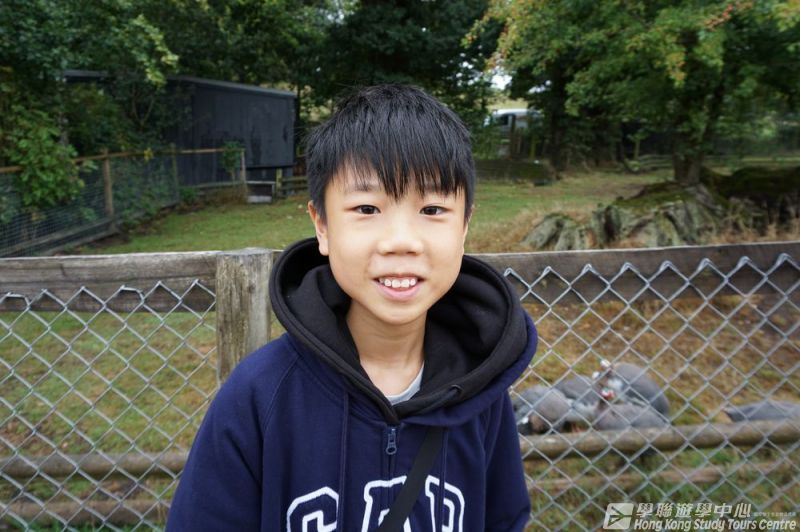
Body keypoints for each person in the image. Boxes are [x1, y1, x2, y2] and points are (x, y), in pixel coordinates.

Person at [166, 84, 538, 531]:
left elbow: (504, 519)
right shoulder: (259, 395)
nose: (400, 241)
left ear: (464, 227)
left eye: (432, 209)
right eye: (366, 207)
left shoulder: (482, 394)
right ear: (322, 226)